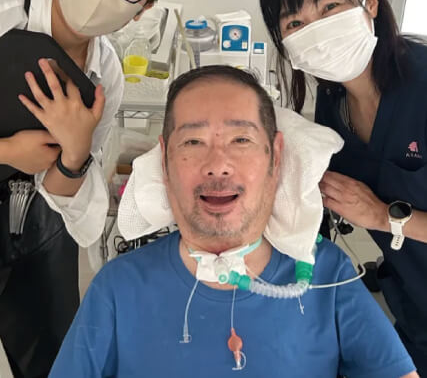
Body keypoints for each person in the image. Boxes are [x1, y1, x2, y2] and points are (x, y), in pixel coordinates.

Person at [49, 66, 418, 378]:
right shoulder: (118, 287)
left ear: (275, 157)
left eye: (241, 139)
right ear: (164, 161)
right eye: (193, 142)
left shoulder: (326, 274)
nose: (218, 165)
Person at [0, 0, 175, 376]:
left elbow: (66, 194)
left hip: (40, 224)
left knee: (50, 354)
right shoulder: (6, 10)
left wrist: (75, 155)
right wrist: (7, 152)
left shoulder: (105, 74)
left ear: (143, 8)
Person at [259, 0, 427, 375]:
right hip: (414, 305)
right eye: (294, 23)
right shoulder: (332, 105)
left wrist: (384, 216)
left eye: (329, 7)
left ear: (369, 1)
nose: (315, 31)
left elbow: (375, 208)